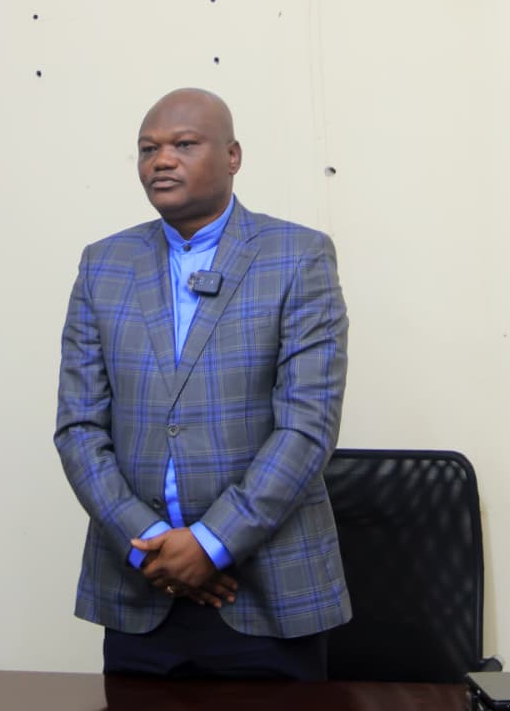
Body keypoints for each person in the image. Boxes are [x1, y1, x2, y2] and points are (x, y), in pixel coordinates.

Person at [55, 88, 350, 679]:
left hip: (267, 594)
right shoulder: (103, 264)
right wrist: (153, 544)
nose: (161, 160)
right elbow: (78, 428)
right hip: (139, 589)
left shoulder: (298, 257)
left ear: (232, 156)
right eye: (148, 149)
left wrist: (212, 543)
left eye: (184, 145)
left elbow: (307, 428)